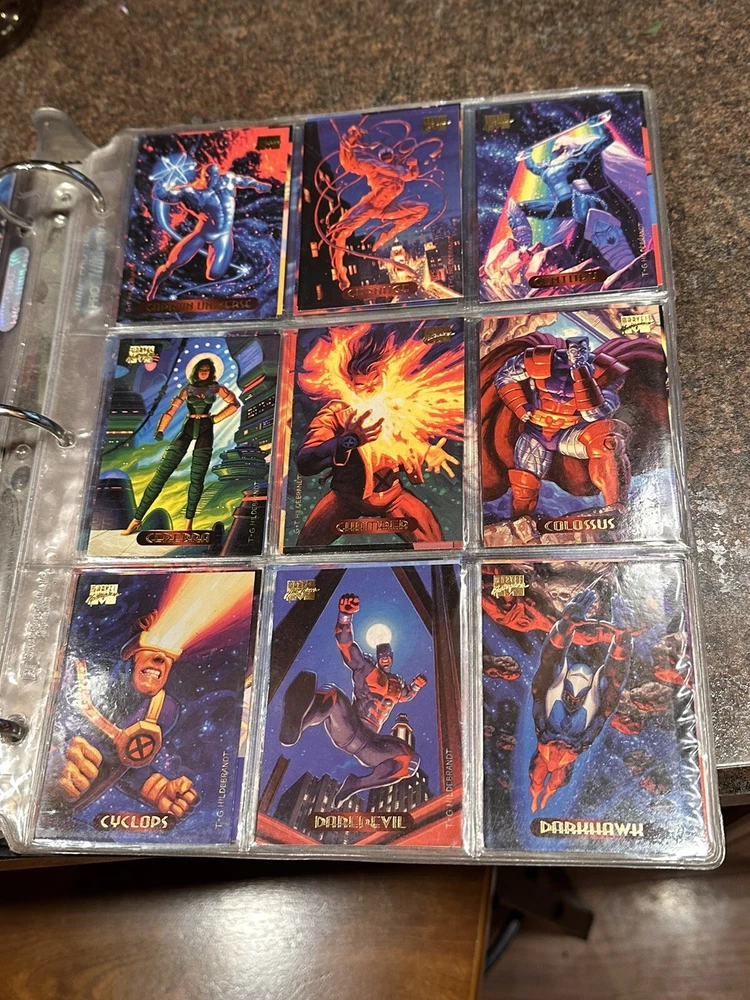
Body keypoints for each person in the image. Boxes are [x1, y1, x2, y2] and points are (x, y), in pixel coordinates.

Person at [279, 593, 428, 808]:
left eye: (388, 653)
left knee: (410, 762)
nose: (385, 656)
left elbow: (406, 696)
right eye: (381, 654)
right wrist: (345, 616)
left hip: (371, 743)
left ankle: (355, 784)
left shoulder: (397, 685)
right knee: (332, 693)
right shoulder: (367, 670)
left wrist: (415, 686)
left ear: (392, 656)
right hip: (350, 727)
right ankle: (297, 725)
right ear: (377, 657)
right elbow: (346, 646)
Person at [122, 357, 239, 535]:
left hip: (205, 431)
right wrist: (160, 430)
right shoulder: (188, 389)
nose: (204, 373)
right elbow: (171, 411)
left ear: (211, 372)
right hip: (188, 428)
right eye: (201, 370)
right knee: (161, 475)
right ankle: (137, 519)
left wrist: (216, 418)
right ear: (196, 371)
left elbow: (234, 404)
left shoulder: (216, 388)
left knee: (197, 479)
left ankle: (188, 525)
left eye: (207, 370)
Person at [146, 161, 271, 299]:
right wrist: (164, 180)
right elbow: (161, 194)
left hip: (223, 235)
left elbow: (245, 181)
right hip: (202, 233)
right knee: (172, 263)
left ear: (218, 175)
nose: (211, 180)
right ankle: (153, 290)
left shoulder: (227, 180)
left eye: (214, 176)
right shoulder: (192, 192)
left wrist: (258, 185)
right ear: (202, 176)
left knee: (214, 274)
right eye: (208, 177)